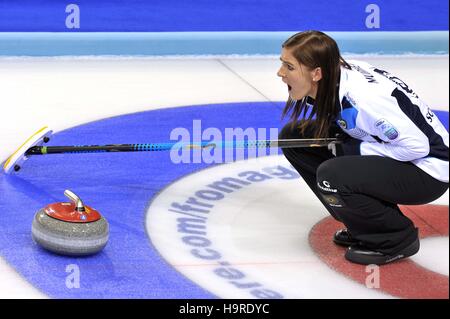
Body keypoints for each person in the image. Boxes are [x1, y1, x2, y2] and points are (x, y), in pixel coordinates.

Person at [277, 30, 449, 265]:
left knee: (333, 174)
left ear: (317, 73)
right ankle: (362, 222)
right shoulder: (335, 76)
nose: (280, 73)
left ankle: (394, 238)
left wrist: (356, 149)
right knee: (294, 138)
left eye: (289, 66)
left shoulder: (365, 99)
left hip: (428, 171)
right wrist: (351, 144)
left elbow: (417, 147)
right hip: (406, 155)